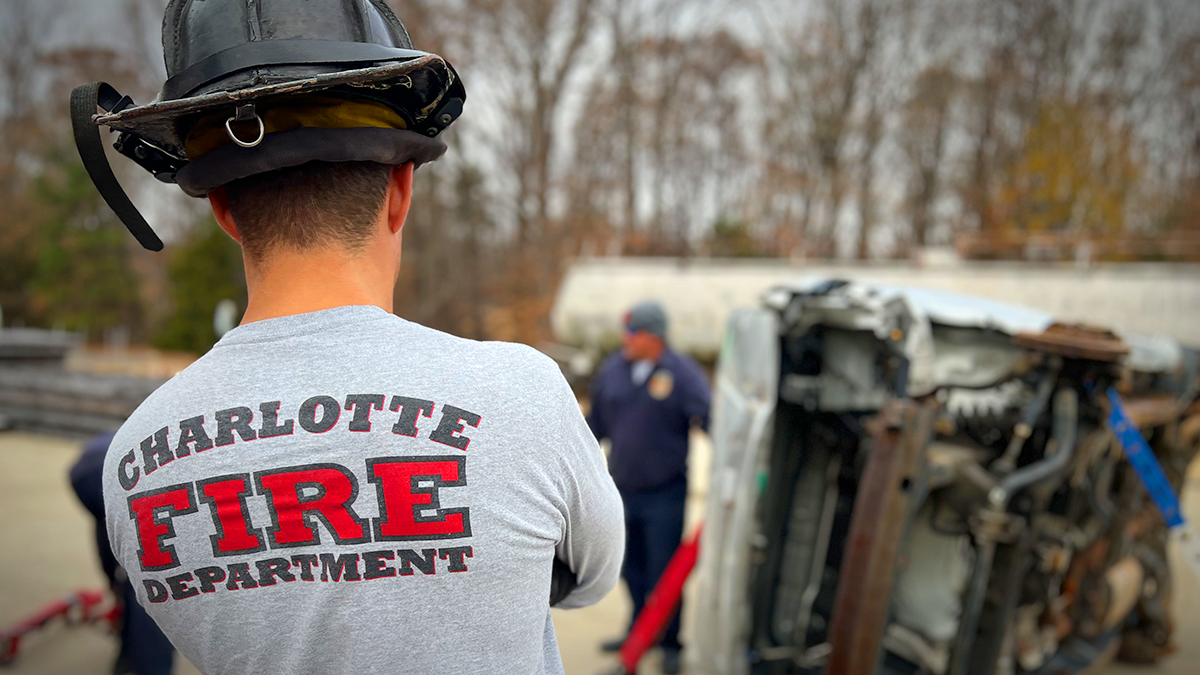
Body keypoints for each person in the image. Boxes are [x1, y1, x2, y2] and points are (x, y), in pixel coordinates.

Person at [83, 2, 624, 673]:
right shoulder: (524, 397)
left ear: (221, 208)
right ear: (401, 190)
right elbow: (593, 577)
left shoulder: (134, 460)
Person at [587, 301, 711, 674]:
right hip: (622, 489)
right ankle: (638, 630)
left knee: (664, 569)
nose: (625, 339)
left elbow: (710, 417)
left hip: (665, 493)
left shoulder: (681, 373)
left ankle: (670, 642)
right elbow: (594, 426)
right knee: (629, 566)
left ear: (653, 337)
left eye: (632, 332)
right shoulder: (614, 371)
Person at [69, 432, 175, 675]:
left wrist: (111, 578)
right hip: (122, 475)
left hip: (82, 472)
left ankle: (128, 654)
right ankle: (150, 667)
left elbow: (104, 535)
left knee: (131, 567)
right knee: (152, 580)